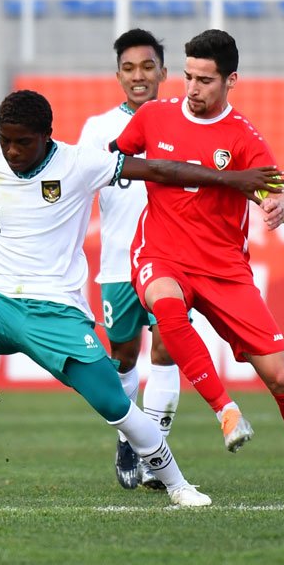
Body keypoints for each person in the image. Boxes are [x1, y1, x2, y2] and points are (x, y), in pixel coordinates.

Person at [0, 90, 284, 507]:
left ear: (47, 135)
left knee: (117, 407)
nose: (11, 150)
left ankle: (178, 487)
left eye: (23, 141)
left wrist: (233, 180)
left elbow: (158, 170)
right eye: (6, 139)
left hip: (57, 315)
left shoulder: (80, 162)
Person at [111, 29, 284, 507]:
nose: (192, 89)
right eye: (187, 77)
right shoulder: (154, 117)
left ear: (230, 80)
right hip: (162, 253)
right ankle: (226, 410)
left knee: (281, 377)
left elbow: (282, 195)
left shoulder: (243, 138)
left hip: (224, 268)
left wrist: (283, 208)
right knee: (166, 310)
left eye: (205, 80)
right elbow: (118, 156)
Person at [77, 29, 179, 492]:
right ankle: (129, 436)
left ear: (163, 71)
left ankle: (156, 453)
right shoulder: (99, 130)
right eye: (129, 68)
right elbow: (76, 192)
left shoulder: (183, 121)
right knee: (123, 356)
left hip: (173, 260)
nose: (139, 77)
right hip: (118, 263)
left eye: (147, 67)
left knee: (167, 348)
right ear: (118, 74)